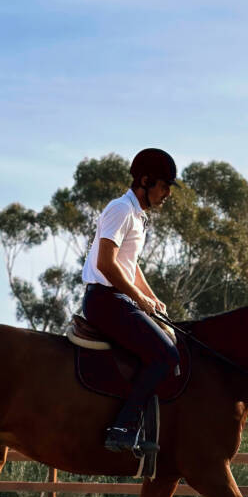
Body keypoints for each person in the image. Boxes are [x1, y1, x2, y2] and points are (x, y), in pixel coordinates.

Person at [81, 148, 181, 452]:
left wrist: (152, 297)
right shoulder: (121, 209)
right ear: (145, 181)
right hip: (105, 300)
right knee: (166, 355)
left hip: (119, 298)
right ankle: (121, 427)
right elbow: (107, 263)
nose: (166, 194)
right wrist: (138, 298)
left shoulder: (139, 217)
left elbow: (130, 264)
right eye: (164, 186)